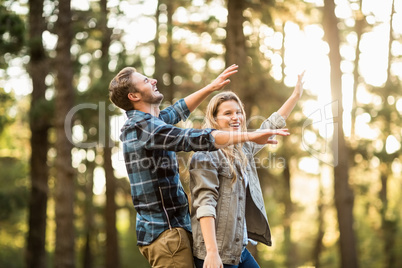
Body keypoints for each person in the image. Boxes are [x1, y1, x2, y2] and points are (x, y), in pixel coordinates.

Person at [108, 64, 290, 268]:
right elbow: (189, 138)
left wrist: (211, 87)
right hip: (167, 236)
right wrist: (250, 135)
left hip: (173, 230)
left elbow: (178, 110)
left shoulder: (152, 121)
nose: (153, 80)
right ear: (134, 96)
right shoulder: (142, 127)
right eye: (145, 81)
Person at [189, 72, 304, 268]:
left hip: (238, 251)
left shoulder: (242, 148)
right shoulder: (206, 154)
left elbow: (271, 124)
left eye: (238, 112)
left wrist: (295, 96)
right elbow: (204, 204)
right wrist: (212, 253)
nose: (236, 117)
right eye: (227, 113)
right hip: (216, 254)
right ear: (214, 119)